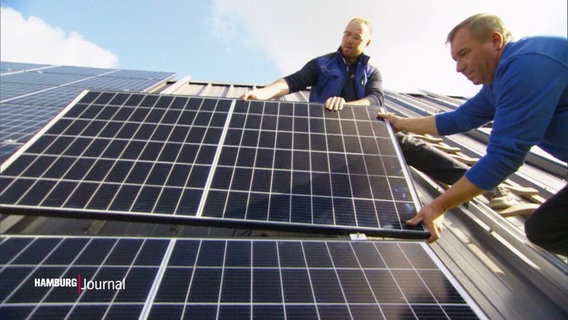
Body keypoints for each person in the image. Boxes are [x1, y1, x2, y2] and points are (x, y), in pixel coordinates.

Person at [379, 13, 568, 255]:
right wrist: (401, 123)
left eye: (464, 53)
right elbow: (460, 119)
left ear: (496, 41)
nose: (459, 67)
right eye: (455, 59)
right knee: (545, 229)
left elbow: (503, 158)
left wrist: (438, 206)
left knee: (546, 230)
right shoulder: (497, 86)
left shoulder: (527, 64)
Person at [240, 17, 491, 197]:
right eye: (346, 34)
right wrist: (263, 93)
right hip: (318, 131)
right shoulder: (322, 63)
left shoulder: (371, 72)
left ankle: (477, 182)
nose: (349, 40)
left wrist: (347, 107)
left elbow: (376, 100)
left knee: (404, 142)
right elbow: (292, 81)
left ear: (367, 43)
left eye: (356, 37)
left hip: (358, 131)